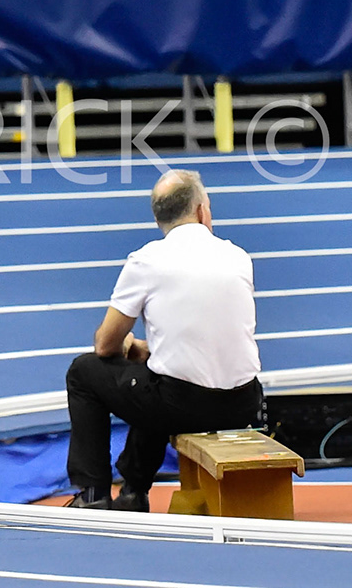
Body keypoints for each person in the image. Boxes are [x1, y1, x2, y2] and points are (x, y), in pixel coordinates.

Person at [62, 170, 264, 511]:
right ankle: (131, 491)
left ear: (158, 218)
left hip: (182, 405)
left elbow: (105, 346)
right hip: (245, 402)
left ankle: (94, 494)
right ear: (202, 211)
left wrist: (130, 347)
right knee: (155, 376)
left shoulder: (147, 261)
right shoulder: (238, 256)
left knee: (85, 372)